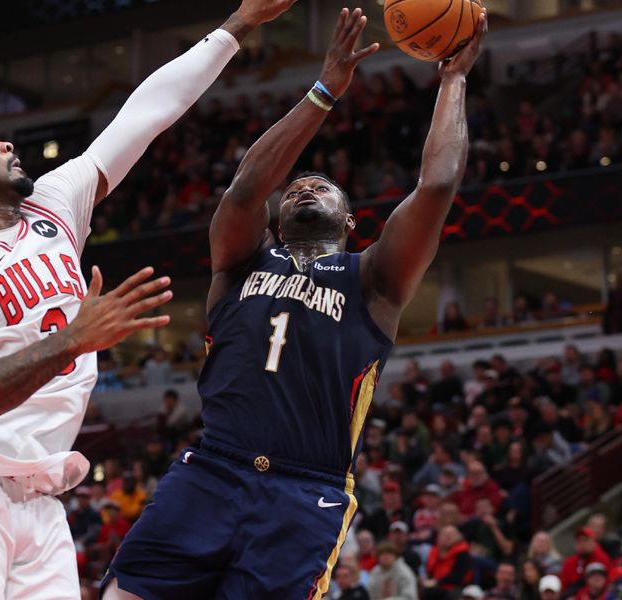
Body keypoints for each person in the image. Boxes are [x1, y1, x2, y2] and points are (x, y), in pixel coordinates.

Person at [0, 1, 297, 597]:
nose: (3, 141)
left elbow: (147, 113)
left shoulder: (54, 206)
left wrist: (240, 22)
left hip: (40, 495)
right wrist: (72, 340)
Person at [103, 6, 488, 599]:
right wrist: (323, 93)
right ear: (278, 217)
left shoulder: (372, 279)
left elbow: (435, 187)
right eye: (298, 186)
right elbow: (246, 188)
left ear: (352, 221)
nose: (307, 185)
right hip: (210, 468)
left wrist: (454, 80)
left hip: (304, 491)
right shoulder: (240, 261)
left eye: (325, 186)